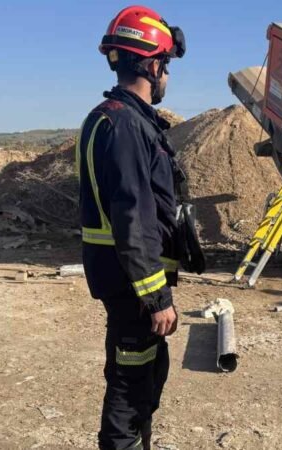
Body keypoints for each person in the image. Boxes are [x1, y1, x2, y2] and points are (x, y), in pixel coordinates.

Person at [77, 6, 186, 450]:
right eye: (166, 66)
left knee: (144, 381)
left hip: (130, 282)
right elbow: (132, 217)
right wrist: (156, 297)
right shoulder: (123, 125)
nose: (167, 77)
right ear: (151, 63)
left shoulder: (120, 119)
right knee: (128, 391)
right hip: (134, 287)